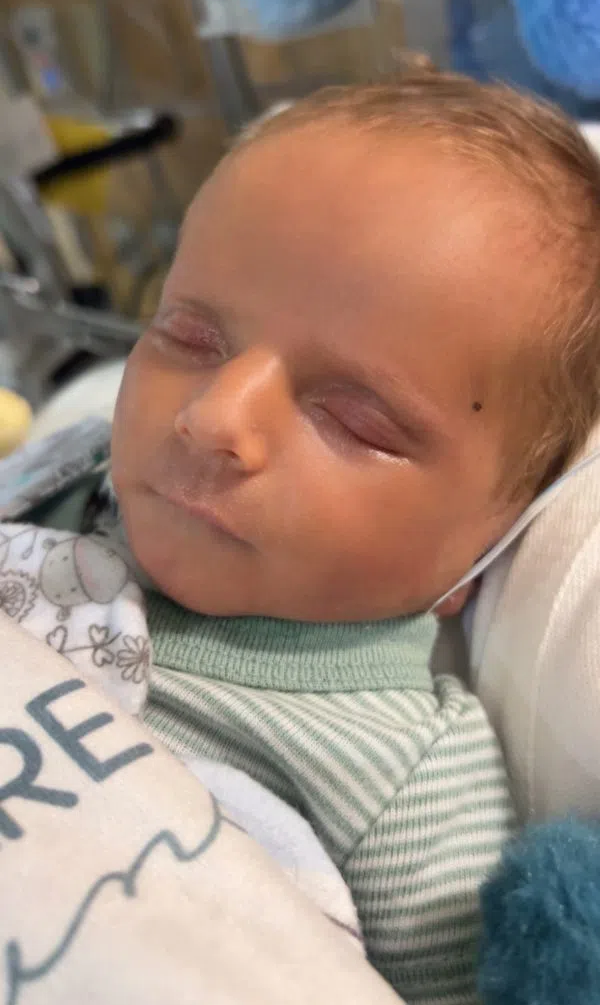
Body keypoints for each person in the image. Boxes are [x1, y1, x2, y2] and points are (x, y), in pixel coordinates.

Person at [5, 68, 600, 1004]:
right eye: (187, 337)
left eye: (356, 421)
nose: (214, 415)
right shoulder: (67, 474)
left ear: (481, 550)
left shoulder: (403, 777)